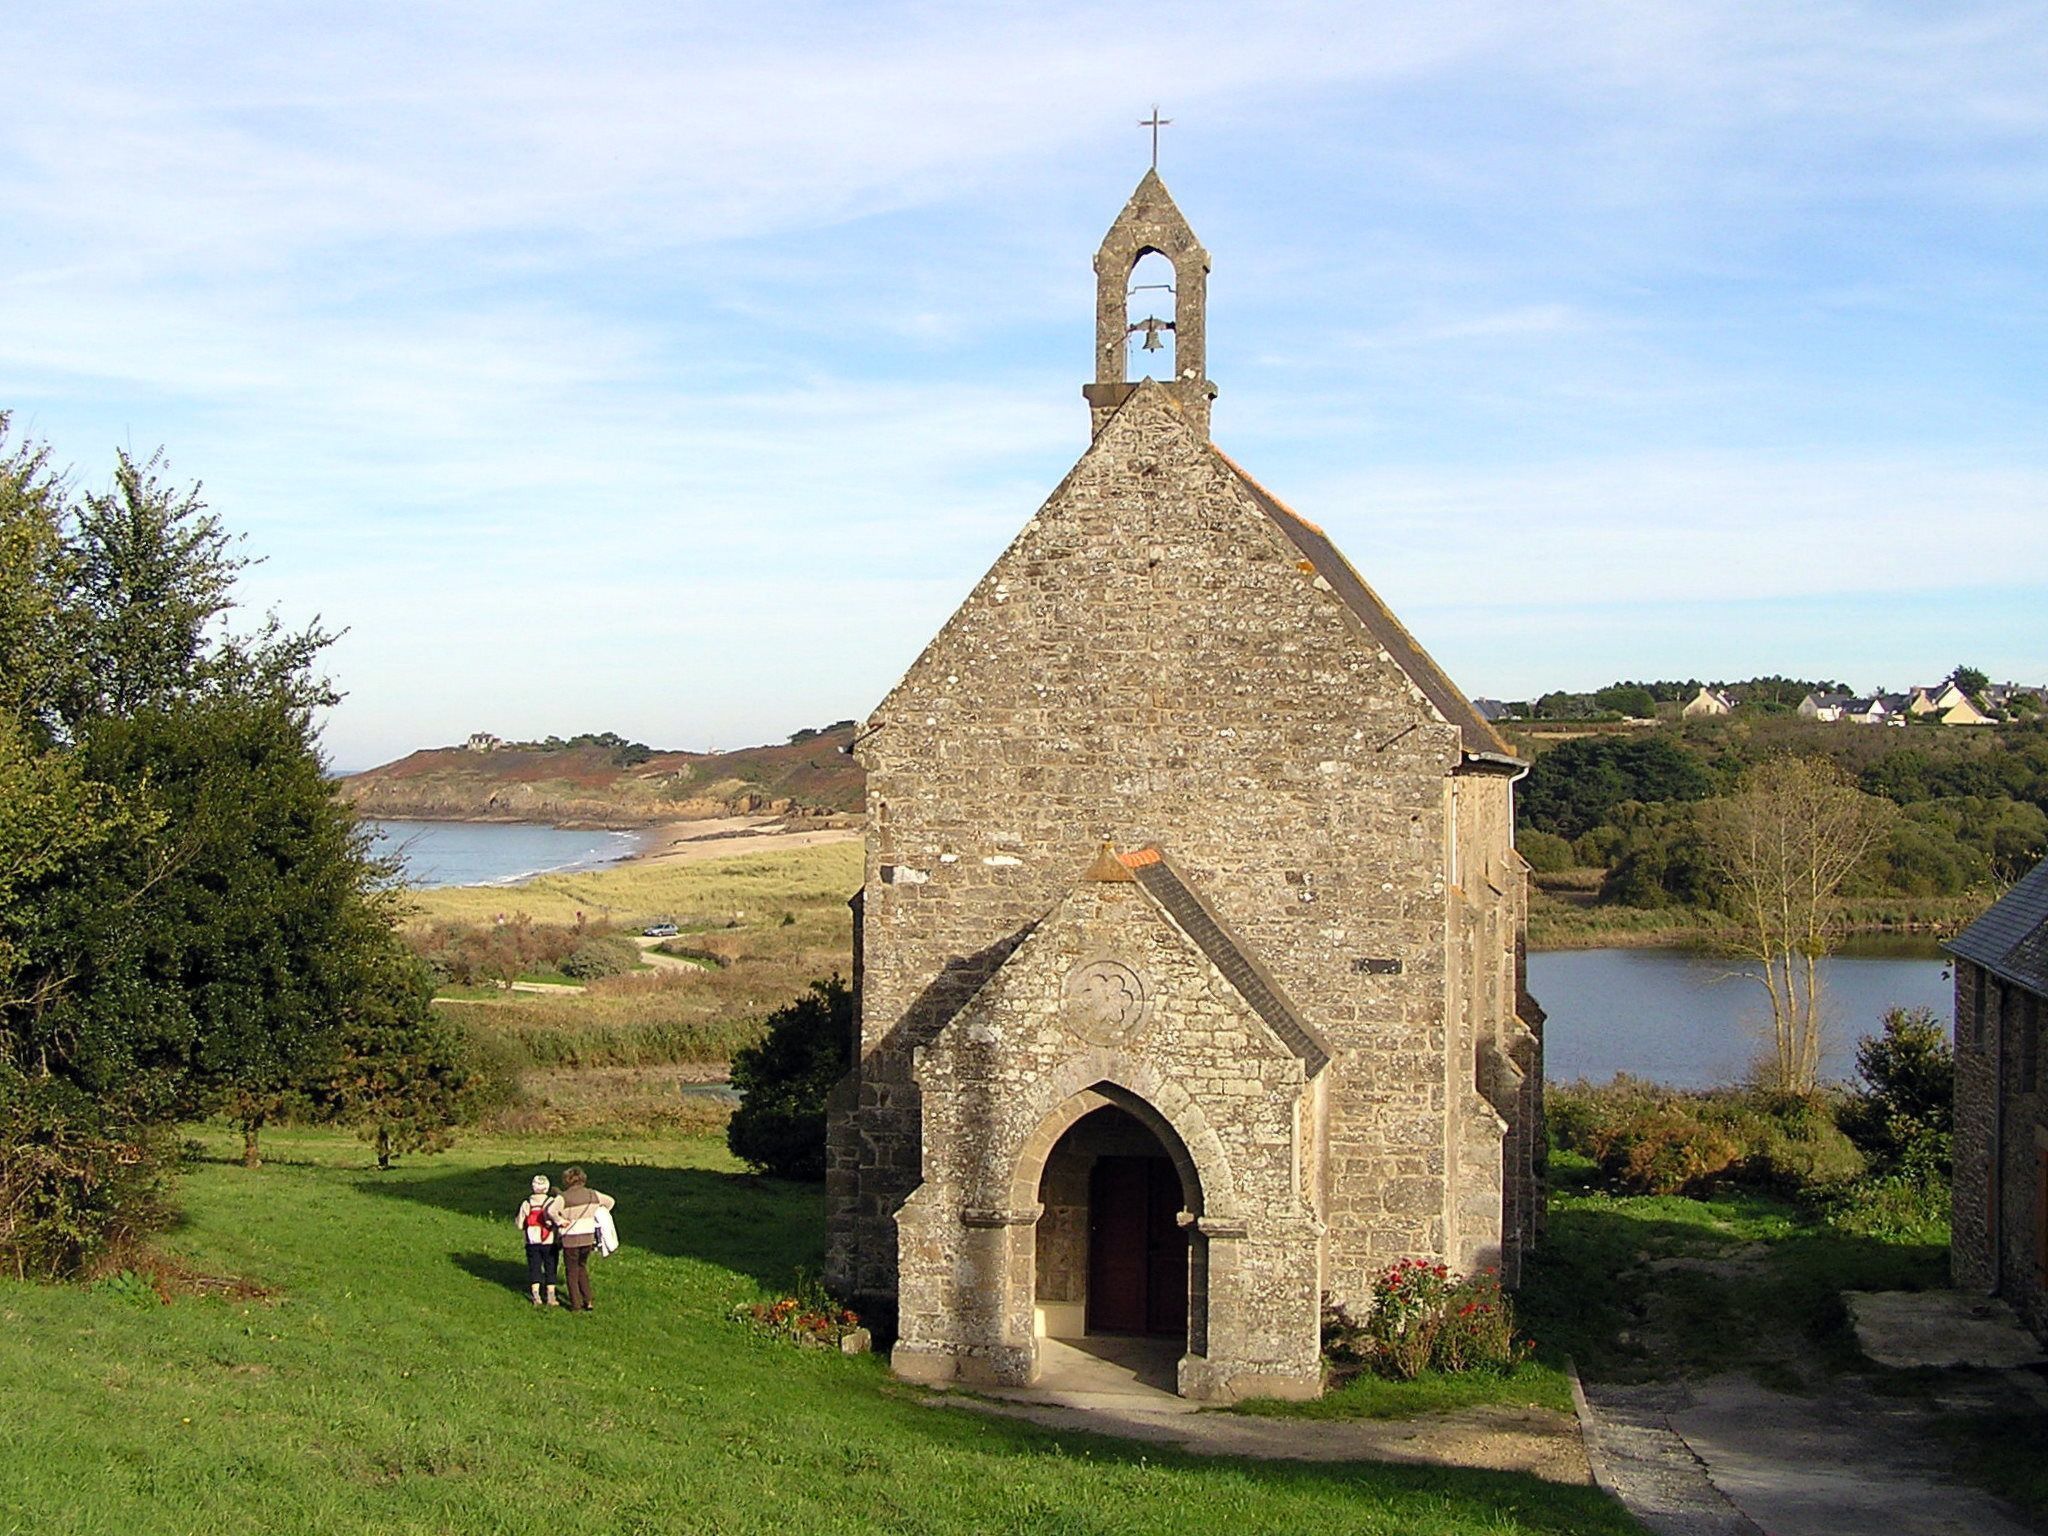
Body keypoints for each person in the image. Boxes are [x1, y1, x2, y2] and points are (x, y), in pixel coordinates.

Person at [545, 1166, 615, 1312]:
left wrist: (560, 1221)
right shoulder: (593, 1195)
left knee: (571, 1270)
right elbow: (610, 1202)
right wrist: (595, 1213)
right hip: (588, 1238)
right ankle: (588, 1300)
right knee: (582, 1267)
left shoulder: (563, 1197)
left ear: (567, 1180)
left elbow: (550, 1211)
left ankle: (575, 1304)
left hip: (571, 1239)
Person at [516, 1174, 559, 1307]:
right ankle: (551, 1295)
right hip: (549, 1240)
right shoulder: (551, 1202)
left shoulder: (527, 1203)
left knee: (534, 1267)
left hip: (532, 1240)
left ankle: (536, 1295)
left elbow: (519, 1224)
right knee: (550, 1266)